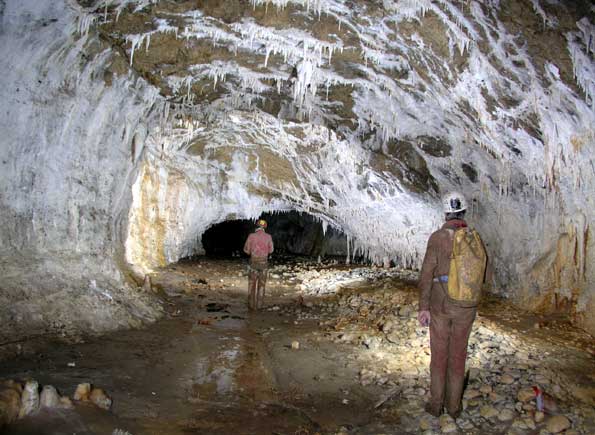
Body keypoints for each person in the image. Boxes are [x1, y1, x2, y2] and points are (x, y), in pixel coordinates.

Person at [417, 192, 479, 419]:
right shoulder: (474, 238)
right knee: (458, 355)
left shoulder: (438, 237)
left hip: (441, 304)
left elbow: (426, 274)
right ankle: (454, 407)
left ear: (446, 213)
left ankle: (436, 405)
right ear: (463, 212)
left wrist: (423, 306)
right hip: (466, 307)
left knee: (440, 354)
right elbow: (483, 275)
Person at [243, 219, 274, 310]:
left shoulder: (251, 236)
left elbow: (246, 250)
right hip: (264, 264)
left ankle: (251, 307)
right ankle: (259, 306)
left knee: (251, 285)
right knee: (262, 286)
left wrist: (252, 251)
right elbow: (271, 250)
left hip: (254, 263)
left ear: (256, 226)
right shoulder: (268, 237)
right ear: (265, 227)